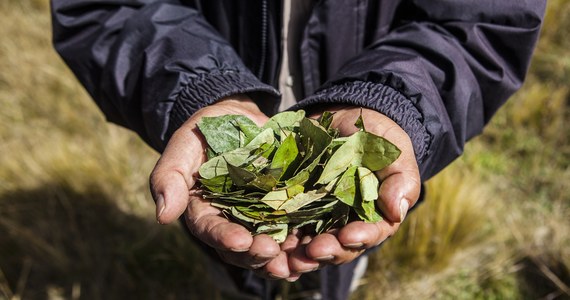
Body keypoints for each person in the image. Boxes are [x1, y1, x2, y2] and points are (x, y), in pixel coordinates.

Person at [50, 1, 546, 299]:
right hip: (225, 181)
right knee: (238, 265)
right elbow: (104, 8)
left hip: (352, 181)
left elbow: (483, 20)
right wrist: (201, 87)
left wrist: (393, 98)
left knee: (337, 263)